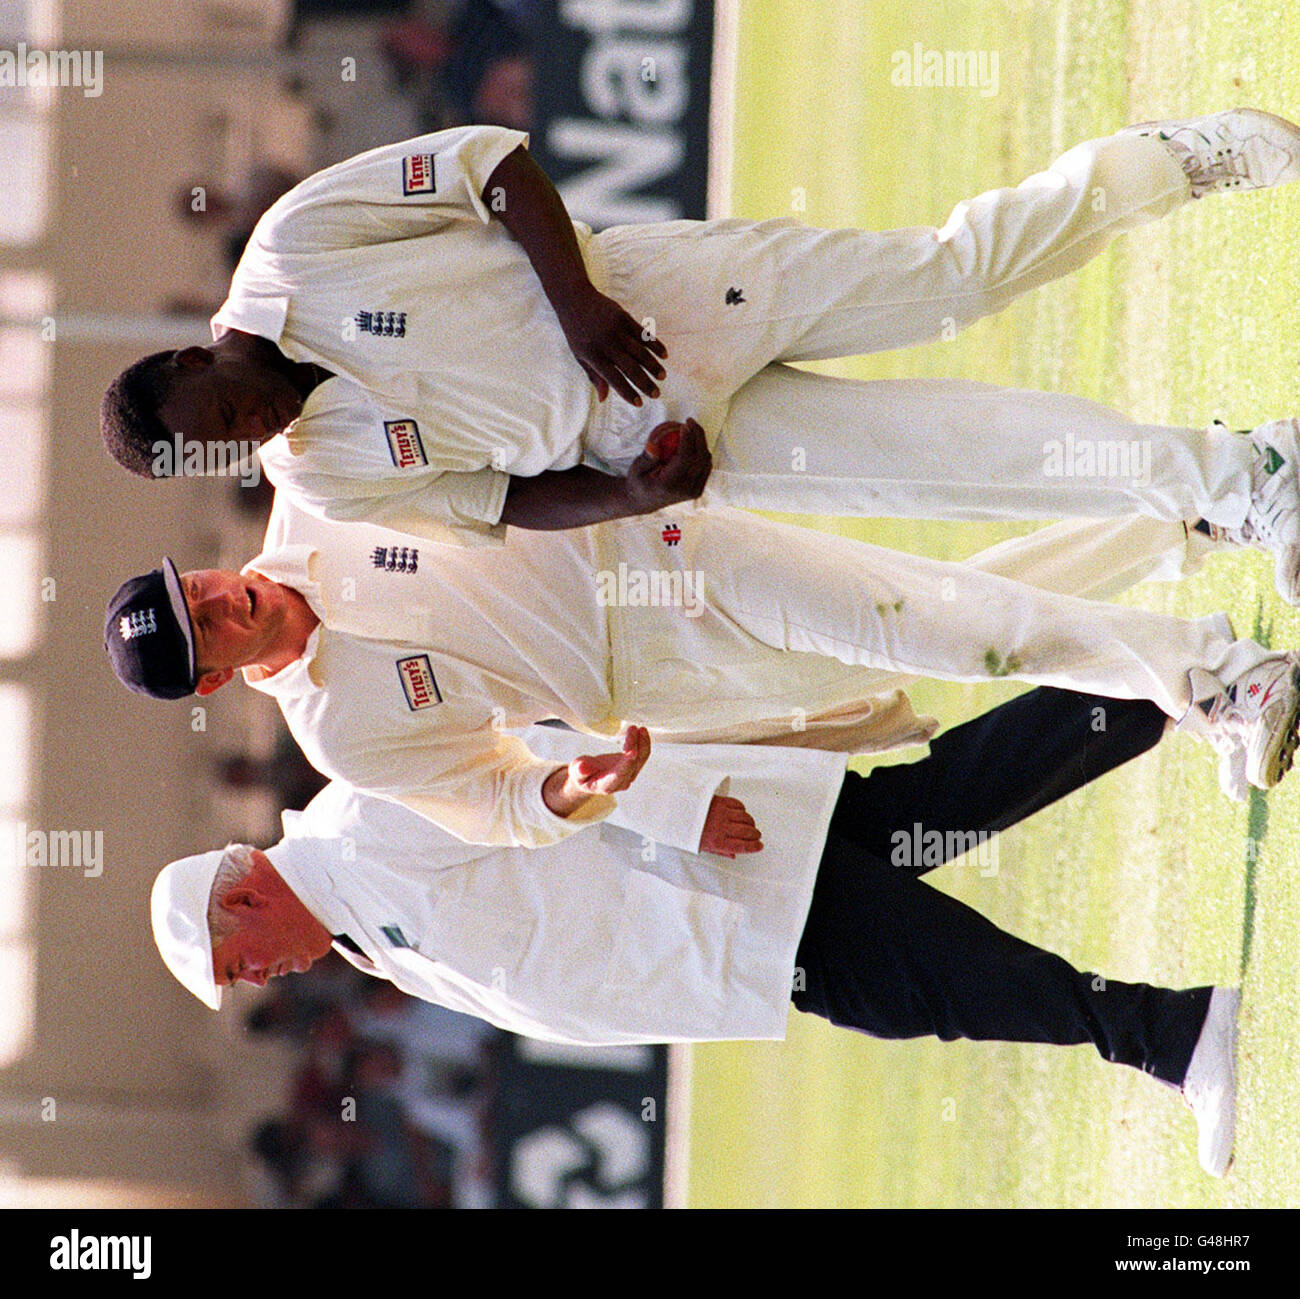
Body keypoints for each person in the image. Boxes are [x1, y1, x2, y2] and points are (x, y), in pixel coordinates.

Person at [99, 110, 1300, 600]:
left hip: (665, 296)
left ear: (192, 365)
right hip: (660, 442)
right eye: (216, 459)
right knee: (963, 462)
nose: (240, 441)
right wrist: (629, 495)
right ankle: (1246, 479)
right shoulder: (320, 475)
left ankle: (1169, 161)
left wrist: (572, 304)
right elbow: (499, 501)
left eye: (216, 420)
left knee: (953, 281)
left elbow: (492, 166)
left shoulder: (296, 247)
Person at [150, 702, 1242, 1177]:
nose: (263, 977)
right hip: (713, 912)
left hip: (716, 882)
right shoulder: (350, 930)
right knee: (950, 802)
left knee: (928, 986)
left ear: (239, 901)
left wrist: (677, 805)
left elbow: (535, 754)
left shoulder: (359, 819)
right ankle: (1167, 687)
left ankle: (1170, 1032)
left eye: (240, 961)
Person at [105, 493, 1300, 846]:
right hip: (663, 686)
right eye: (201, 626)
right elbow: (494, 803)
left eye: (192, 585)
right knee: (938, 639)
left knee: (941, 628)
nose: (216, 597)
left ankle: (1218, 676)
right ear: (216, 683)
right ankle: (1175, 522)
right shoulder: (341, 741)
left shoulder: (323, 492)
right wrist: (572, 793)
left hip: (657, 549)